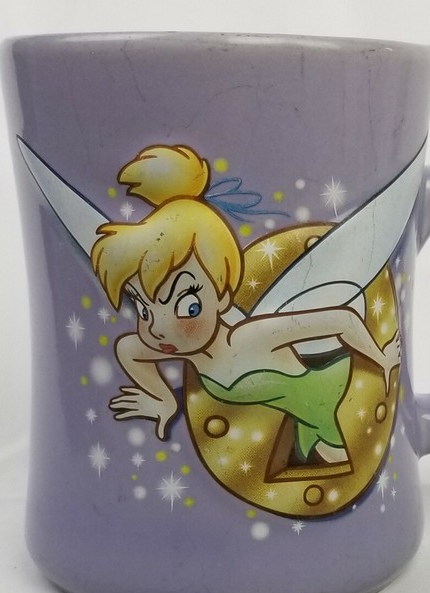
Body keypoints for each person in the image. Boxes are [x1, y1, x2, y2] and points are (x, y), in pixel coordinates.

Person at [91, 144, 400, 464]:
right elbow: (129, 349)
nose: (158, 328)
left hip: (327, 395)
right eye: (143, 309)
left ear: (222, 296)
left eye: (188, 307)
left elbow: (342, 320)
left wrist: (383, 358)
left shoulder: (250, 337)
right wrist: (164, 402)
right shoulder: (187, 346)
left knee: (336, 458)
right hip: (301, 414)